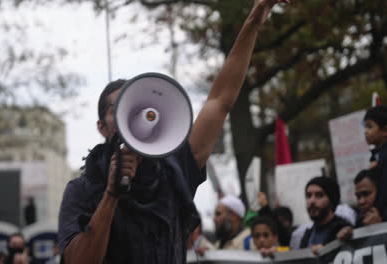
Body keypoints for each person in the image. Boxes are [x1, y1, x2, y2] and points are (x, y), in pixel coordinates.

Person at [58, 0, 292, 263]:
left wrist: (254, 21)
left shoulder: (175, 171)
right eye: (117, 108)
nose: (131, 115)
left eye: (135, 104)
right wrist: (112, 193)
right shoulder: (80, 190)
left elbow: (221, 99)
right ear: (102, 127)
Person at [294, 176, 352, 254]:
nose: (312, 201)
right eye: (308, 196)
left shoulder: (344, 230)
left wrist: (325, 250)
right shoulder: (307, 235)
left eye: (319, 195)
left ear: (332, 201)